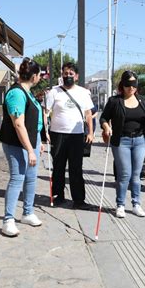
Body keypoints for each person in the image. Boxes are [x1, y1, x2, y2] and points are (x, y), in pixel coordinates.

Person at [0, 58, 44, 237]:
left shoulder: (29, 92)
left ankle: (28, 212)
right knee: (17, 178)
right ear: (33, 76)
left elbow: (34, 120)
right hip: (17, 143)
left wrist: (38, 143)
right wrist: (30, 149)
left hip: (31, 141)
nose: (40, 78)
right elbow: (18, 124)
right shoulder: (16, 93)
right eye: (39, 75)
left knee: (31, 178)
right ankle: (8, 220)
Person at [100, 70, 145, 218]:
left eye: (134, 84)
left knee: (136, 175)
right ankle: (120, 205)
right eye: (128, 84)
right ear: (122, 85)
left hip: (139, 140)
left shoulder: (143, 100)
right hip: (121, 141)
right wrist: (106, 127)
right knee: (124, 174)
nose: (131, 88)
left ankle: (136, 203)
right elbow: (103, 118)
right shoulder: (114, 101)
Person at [44, 62, 94, 210]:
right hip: (57, 134)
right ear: (61, 75)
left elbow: (88, 114)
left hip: (76, 135)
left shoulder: (83, 93)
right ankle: (58, 196)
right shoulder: (54, 92)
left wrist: (90, 132)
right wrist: (45, 131)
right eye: (65, 74)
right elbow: (45, 112)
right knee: (58, 165)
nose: (68, 76)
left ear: (76, 76)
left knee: (76, 168)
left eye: (71, 74)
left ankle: (79, 200)